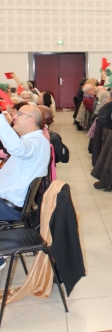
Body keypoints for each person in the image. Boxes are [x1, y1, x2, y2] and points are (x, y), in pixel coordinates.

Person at [0, 104, 51, 270]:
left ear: (31, 120)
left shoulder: (36, 142)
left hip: (7, 207)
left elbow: (16, 148)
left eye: (19, 114)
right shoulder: (35, 140)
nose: (14, 117)